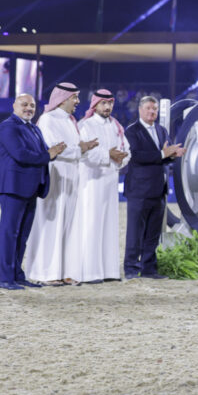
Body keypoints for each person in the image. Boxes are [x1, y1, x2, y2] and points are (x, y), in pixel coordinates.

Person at [24, 84, 98, 286]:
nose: (77, 102)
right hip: (55, 177)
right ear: (64, 98)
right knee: (51, 224)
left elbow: (75, 148)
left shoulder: (71, 121)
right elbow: (53, 149)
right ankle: (45, 272)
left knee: (69, 225)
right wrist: (79, 149)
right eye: (75, 98)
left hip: (72, 178)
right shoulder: (48, 120)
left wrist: (83, 148)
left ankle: (65, 271)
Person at [0, 94, 66, 290]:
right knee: (9, 234)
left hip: (31, 187)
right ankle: (4, 277)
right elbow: (21, 154)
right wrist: (48, 154)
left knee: (22, 235)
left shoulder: (34, 128)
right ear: (14, 106)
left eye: (32, 105)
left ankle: (17, 274)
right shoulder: (8, 127)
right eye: (24, 104)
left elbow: (45, 153)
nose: (29, 108)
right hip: (13, 187)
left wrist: (52, 153)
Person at [68, 89, 130, 283]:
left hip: (110, 181)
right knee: (91, 224)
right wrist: (108, 155)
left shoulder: (116, 126)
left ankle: (109, 271)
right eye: (104, 103)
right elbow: (84, 153)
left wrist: (121, 158)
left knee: (110, 226)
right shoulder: (85, 125)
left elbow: (127, 150)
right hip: (91, 183)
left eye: (110, 103)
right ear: (95, 105)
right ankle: (89, 273)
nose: (107, 107)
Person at [122, 95, 185, 279]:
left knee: (153, 233)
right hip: (139, 190)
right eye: (149, 108)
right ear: (140, 110)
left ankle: (149, 269)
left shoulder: (162, 130)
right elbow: (136, 156)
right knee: (135, 232)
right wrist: (163, 153)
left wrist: (174, 154)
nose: (152, 112)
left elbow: (164, 155)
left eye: (155, 109)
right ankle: (131, 269)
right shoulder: (132, 131)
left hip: (158, 190)